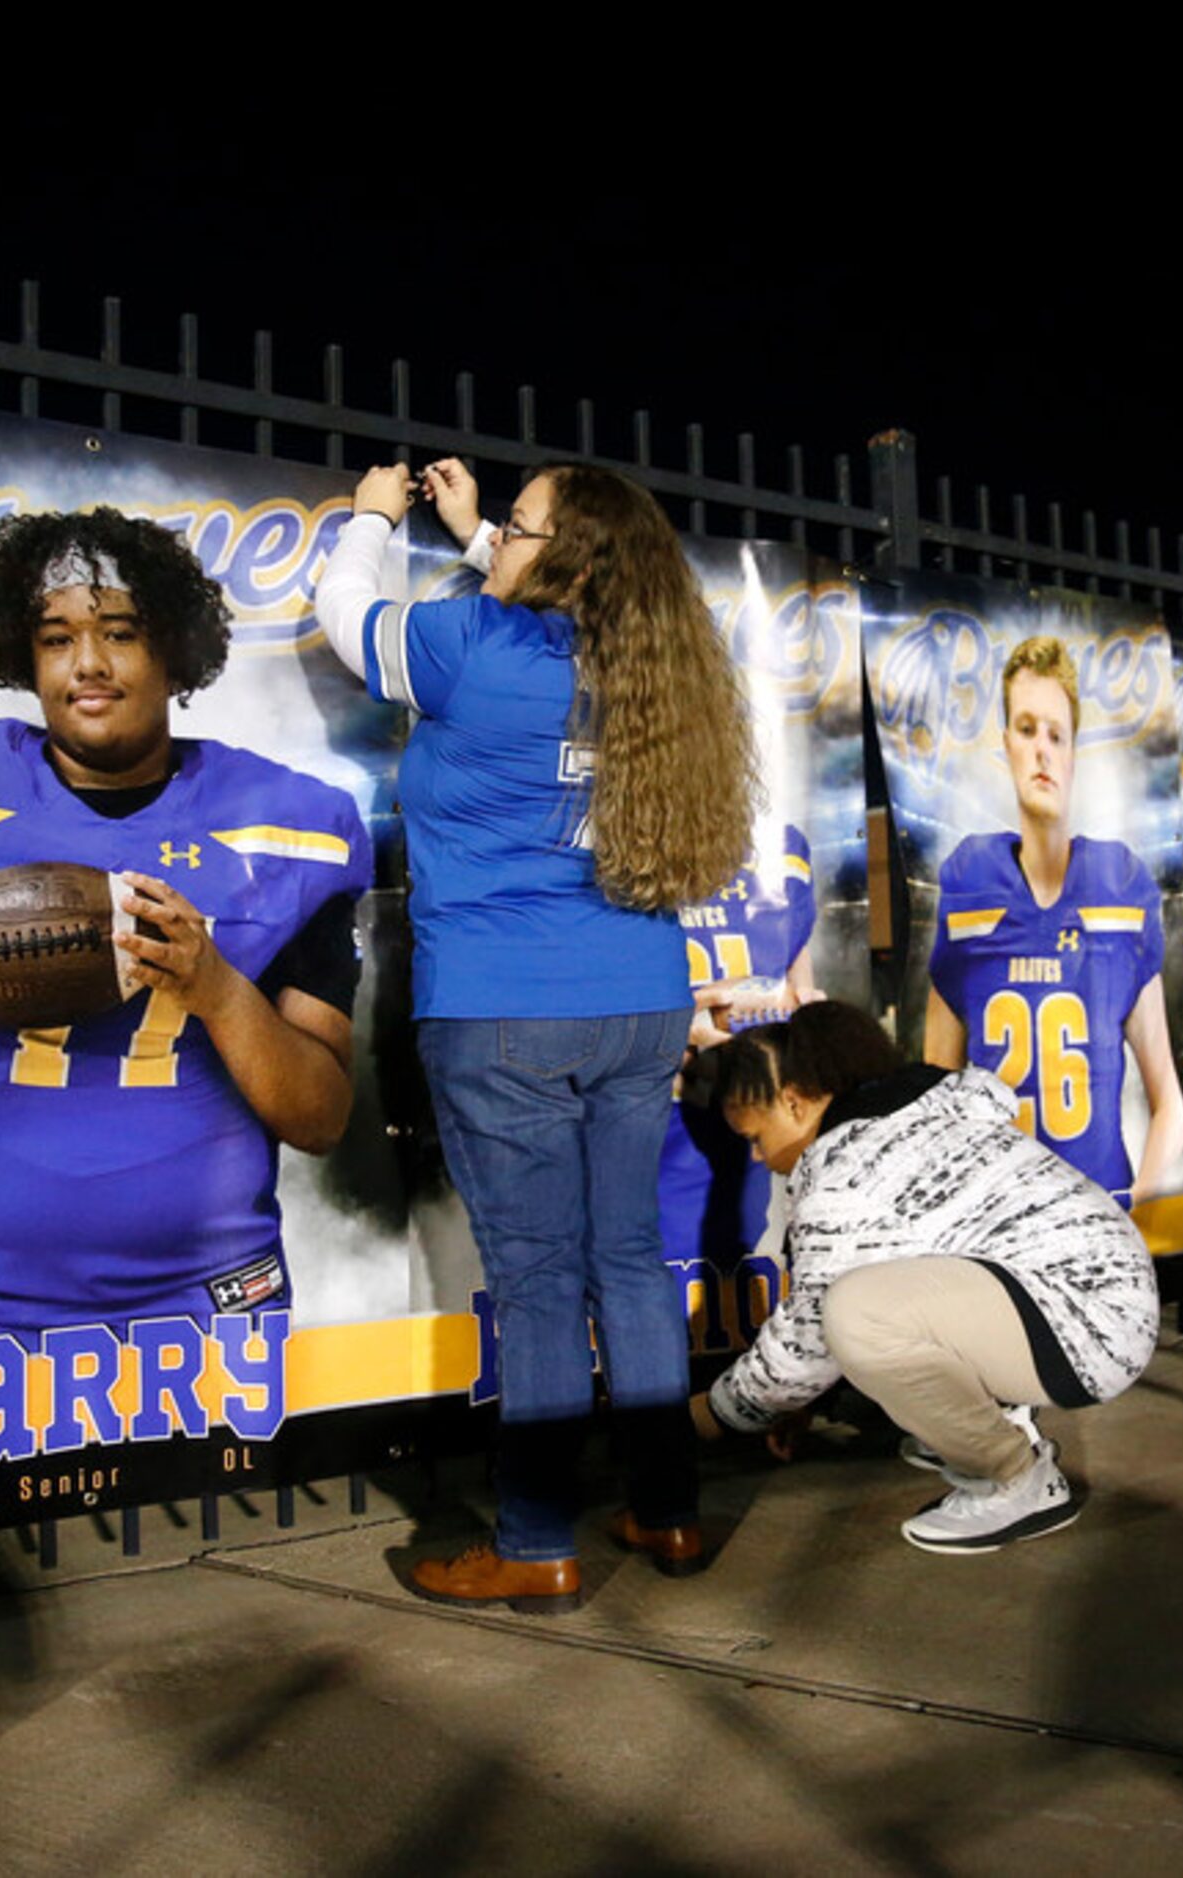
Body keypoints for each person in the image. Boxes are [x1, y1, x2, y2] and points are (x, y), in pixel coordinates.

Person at [314, 455, 755, 1612]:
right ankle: (665, 1513)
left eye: (514, 526)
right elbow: (523, 613)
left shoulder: (470, 650)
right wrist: (474, 537)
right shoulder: (651, 675)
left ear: (557, 557)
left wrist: (372, 517)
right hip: (638, 1002)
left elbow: (346, 617)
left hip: (503, 1007)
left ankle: (533, 1539)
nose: (495, 540)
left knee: (541, 1287)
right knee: (630, 1266)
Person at [0, 509, 369, 1376]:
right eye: (55, 638)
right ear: (21, 656)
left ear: (175, 650)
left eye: (119, 633)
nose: (87, 664)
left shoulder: (293, 823)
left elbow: (321, 1118)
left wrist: (218, 986)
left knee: (224, 1514)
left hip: (204, 1294)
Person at [692, 1001, 1157, 1553]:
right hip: (1101, 1298)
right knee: (879, 1300)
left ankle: (1015, 1478)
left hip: (1088, 1328)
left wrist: (711, 1415)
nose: (758, 1156)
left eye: (754, 1137)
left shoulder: (850, 1170)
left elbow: (811, 1337)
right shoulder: (916, 1112)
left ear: (793, 1102)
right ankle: (995, 1423)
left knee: (856, 1316)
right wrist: (796, 1400)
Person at [923, 636, 1183, 1209]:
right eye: (1026, 729)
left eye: (1056, 734)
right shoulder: (970, 880)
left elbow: (1170, 1104)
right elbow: (934, 1099)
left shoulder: (1119, 886)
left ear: (1073, 754)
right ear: (1005, 745)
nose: (1041, 749)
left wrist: (1131, 1211)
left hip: (1098, 1219)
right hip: (999, 1230)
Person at [659, 825, 818, 1349]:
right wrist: (706, 1012)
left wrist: (745, 1002)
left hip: (750, 1111)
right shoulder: (633, 838)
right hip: (657, 1111)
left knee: (747, 1277)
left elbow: (802, 998)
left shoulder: (780, 848)